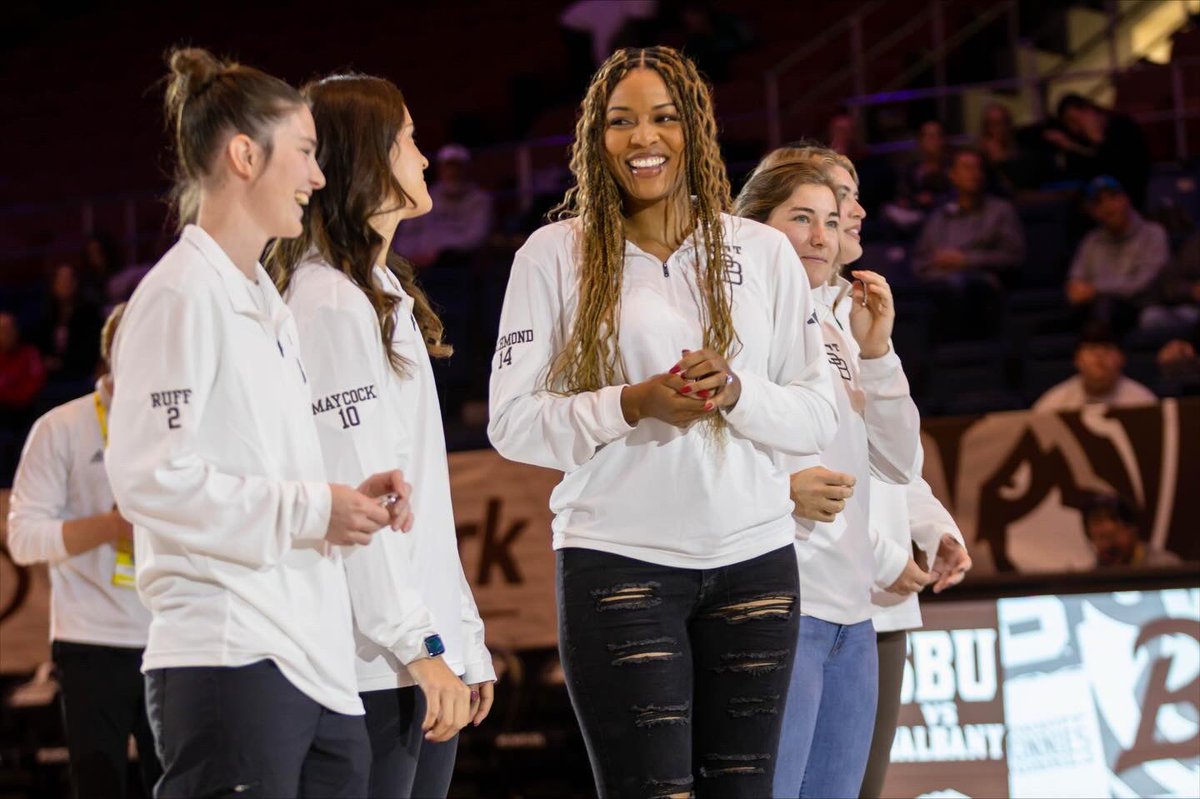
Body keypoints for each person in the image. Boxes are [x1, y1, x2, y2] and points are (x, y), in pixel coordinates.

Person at [488, 46, 838, 798]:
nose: (642, 138)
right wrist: (630, 403)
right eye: (621, 122)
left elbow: (816, 413)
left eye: (662, 118)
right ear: (595, 137)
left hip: (756, 560)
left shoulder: (761, 250)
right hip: (619, 561)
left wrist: (740, 390)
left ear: (696, 129)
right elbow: (512, 422)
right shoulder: (555, 254)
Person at [104, 48, 414, 798]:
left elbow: (256, 468)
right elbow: (150, 479)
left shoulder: (265, 304)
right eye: (305, 153)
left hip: (312, 661)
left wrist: (342, 496)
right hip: (229, 656)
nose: (317, 175)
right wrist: (315, 507)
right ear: (245, 155)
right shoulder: (179, 295)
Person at [268, 73, 495, 799]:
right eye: (408, 140)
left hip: (413, 652)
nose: (424, 159)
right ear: (365, 158)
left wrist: (462, 636)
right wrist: (419, 646)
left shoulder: (382, 291)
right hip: (369, 660)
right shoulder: (328, 301)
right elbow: (359, 507)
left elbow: (421, 500)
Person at [734, 148, 922, 798]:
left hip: (852, 610)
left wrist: (879, 353)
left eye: (836, 215)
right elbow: (687, 451)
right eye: (809, 214)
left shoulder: (842, 323)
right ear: (757, 221)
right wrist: (779, 491)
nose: (832, 228)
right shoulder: (737, 312)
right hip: (780, 595)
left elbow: (901, 462)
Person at [7, 303, 162, 799]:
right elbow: (24, 539)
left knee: (180, 786)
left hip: (175, 637)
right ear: (112, 354)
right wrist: (111, 526)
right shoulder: (62, 427)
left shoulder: (180, 424)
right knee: (99, 785)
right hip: (91, 641)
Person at [912, 147, 1025, 339]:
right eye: (966, 168)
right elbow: (920, 260)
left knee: (958, 286)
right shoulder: (939, 216)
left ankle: (964, 352)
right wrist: (937, 267)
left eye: (977, 168)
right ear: (952, 175)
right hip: (938, 283)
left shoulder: (1000, 211)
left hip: (982, 284)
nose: (974, 174)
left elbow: (1013, 257)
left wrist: (966, 260)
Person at [1066, 175, 1169, 337]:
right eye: (1098, 202)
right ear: (1092, 212)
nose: (1107, 207)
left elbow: (1141, 285)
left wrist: (1095, 289)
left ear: (1126, 200)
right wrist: (1076, 290)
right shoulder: (1091, 241)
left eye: (1113, 198)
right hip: (1096, 308)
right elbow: (1076, 281)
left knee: (1106, 309)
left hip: (1140, 307)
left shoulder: (1153, 234)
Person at [391, 143, 494, 269]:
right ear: (440, 169)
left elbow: (476, 237)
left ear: (467, 169)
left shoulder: (479, 200)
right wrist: (413, 255)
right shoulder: (425, 197)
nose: (453, 172)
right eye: (448, 167)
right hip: (419, 265)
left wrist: (440, 251)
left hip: (459, 264)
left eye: (458, 167)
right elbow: (406, 234)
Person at [1044, 93, 1151, 210]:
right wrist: (1071, 147)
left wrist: (1098, 140)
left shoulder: (1123, 126)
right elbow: (1083, 170)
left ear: (1089, 110)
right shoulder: (1082, 139)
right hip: (1097, 200)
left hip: (1128, 195)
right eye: (1069, 124)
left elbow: (1117, 168)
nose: (1074, 128)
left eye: (1074, 120)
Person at [1033, 322, 1157, 412]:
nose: (1099, 355)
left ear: (1122, 358)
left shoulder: (1143, 402)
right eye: (1091, 349)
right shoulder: (1054, 404)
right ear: (1077, 360)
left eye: (1107, 348)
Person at [1080, 492, 1180, 568]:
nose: (1106, 527)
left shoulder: (1166, 567)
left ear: (1132, 530)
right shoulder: (1089, 580)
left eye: (1113, 536)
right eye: (1102, 538)